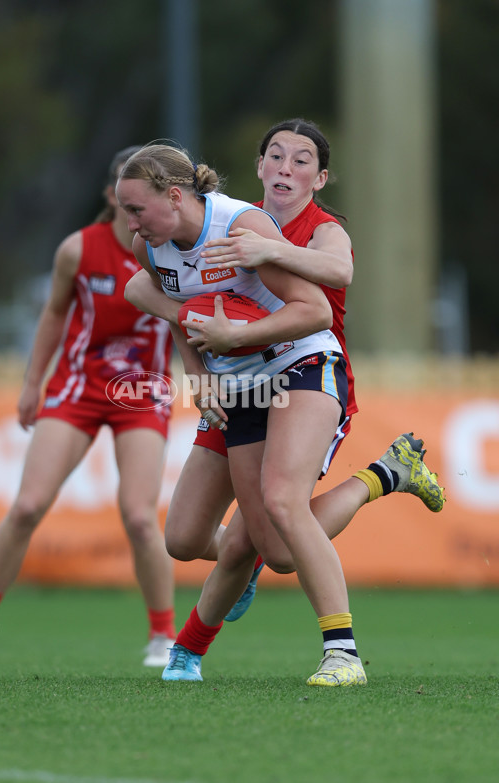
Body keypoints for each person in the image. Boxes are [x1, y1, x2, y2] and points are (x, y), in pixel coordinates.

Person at [118, 130, 443, 687]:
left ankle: (341, 654)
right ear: (260, 165)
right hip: (240, 387)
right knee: (217, 542)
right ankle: (387, 473)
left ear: (174, 196)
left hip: (302, 365)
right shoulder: (150, 245)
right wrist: (201, 379)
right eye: (275, 156)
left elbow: (317, 309)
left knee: (282, 506)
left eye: (136, 209)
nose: (130, 223)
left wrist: (240, 310)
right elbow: (182, 316)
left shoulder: (252, 227)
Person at [0, 146, 177, 668]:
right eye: (122, 189)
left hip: (142, 392)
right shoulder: (77, 250)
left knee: (138, 516)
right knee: (26, 507)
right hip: (79, 389)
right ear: (112, 193)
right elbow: (53, 318)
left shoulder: (171, 249)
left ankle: (163, 636)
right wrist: (31, 385)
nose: (131, 205)